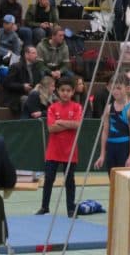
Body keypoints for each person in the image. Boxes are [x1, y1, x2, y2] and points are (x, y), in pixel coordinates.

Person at [36, 77, 82, 216]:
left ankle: (70, 209)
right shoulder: (52, 108)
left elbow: (77, 125)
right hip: (54, 151)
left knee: (69, 180)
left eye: (68, 90)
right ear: (57, 91)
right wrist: (69, 124)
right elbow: (51, 128)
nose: (65, 93)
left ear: (73, 91)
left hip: (70, 150)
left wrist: (60, 121)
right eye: (62, 90)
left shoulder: (77, 107)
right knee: (49, 179)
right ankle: (45, 207)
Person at [95, 78, 130, 174]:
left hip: (124, 148)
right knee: (112, 178)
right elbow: (105, 132)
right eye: (113, 88)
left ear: (127, 88)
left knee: (123, 178)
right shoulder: (108, 108)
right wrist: (102, 155)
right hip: (111, 148)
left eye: (119, 88)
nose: (115, 91)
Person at [3, 44, 40, 114]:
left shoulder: (36, 68)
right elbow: (7, 84)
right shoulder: (16, 66)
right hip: (16, 97)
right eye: (33, 53)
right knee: (26, 99)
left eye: (36, 53)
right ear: (26, 54)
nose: (36, 56)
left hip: (31, 94)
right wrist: (22, 86)